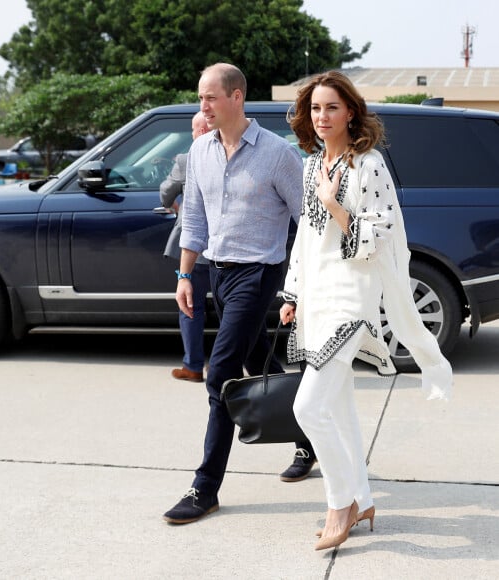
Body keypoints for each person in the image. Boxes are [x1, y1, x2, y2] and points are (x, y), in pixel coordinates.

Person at [279, 71, 452, 551]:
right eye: (315, 109)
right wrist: (292, 295)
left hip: (350, 300)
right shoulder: (312, 164)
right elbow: (306, 241)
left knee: (307, 407)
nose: (322, 117)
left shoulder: (368, 165)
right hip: (316, 296)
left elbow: (376, 239)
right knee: (337, 407)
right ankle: (363, 496)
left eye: (332, 107)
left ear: (351, 111)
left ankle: (341, 503)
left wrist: (337, 206)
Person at [163, 63, 316, 525]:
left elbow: (307, 221)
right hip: (218, 273)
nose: (202, 107)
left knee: (221, 375)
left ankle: (204, 488)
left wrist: (298, 287)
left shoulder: (276, 154)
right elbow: (194, 219)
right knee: (261, 367)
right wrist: (184, 276)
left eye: (210, 98)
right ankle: (309, 438)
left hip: (260, 272)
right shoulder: (200, 152)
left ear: (237, 97)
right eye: (200, 98)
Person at [160, 112, 211, 382]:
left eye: (193, 129)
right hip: (227, 246)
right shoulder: (230, 152)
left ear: (200, 130)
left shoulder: (185, 160)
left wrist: (175, 207)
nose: (192, 134)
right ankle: (229, 365)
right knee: (231, 309)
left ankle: (192, 365)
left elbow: (166, 192)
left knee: (190, 305)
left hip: (195, 247)